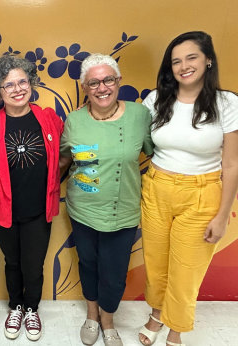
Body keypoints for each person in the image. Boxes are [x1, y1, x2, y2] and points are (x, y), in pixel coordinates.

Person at [138, 31, 238, 346]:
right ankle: (156, 314)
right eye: (176, 61)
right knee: (156, 263)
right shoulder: (155, 99)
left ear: (208, 60)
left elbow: (232, 164)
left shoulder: (227, 102)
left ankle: (176, 330)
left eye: (191, 57)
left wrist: (223, 215)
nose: (184, 66)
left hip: (202, 193)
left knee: (187, 271)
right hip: (156, 188)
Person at [59, 53, 154, 346]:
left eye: (108, 80)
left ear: (118, 81)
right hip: (83, 210)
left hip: (122, 211)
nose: (102, 88)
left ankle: (108, 320)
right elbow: (63, 160)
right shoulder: (73, 121)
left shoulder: (140, 116)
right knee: (88, 263)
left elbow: (157, 154)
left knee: (113, 274)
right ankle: (91, 315)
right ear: (85, 88)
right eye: (94, 83)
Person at [0, 55, 63, 341]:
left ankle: (32, 309)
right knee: (12, 262)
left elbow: (66, 153)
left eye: (22, 81)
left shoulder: (49, 118)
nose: (17, 89)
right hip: (2, 210)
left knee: (33, 265)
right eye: (8, 85)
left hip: (39, 209)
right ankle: (17, 306)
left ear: (31, 83)